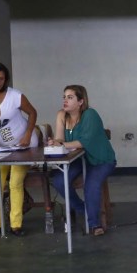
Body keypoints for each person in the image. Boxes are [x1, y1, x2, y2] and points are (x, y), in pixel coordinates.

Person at [48, 85, 116, 236]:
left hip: (100, 159)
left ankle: (94, 224)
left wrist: (62, 144)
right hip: (78, 159)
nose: (65, 100)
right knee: (59, 181)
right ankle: (83, 209)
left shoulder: (90, 114)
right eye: (64, 97)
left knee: (91, 184)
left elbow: (83, 142)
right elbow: (60, 138)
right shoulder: (61, 115)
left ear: (80, 101)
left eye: (70, 97)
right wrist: (55, 142)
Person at [0, 62, 38, 237]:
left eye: (2, 78)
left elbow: (33, 113)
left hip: (22, 146)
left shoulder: (15, 96)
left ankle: (16, 224)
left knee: (15, 182)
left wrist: (28, 134)